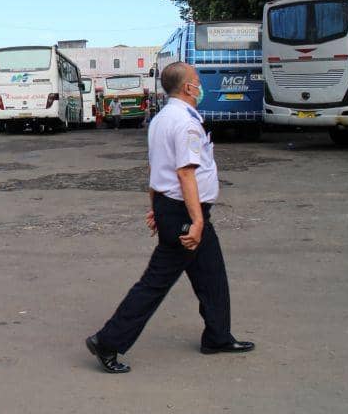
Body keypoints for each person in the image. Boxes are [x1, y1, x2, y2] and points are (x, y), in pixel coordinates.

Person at [85, 61, 254, 374]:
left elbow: (155, 168)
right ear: (188, 87)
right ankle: (107, 341)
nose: (201, 84)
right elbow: (185, 172)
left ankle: (217, 336)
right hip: (185, 212)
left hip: (171, 206)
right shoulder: (185, 123)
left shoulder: (162, 119)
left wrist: (155, 206)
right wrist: (197, 220)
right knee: (156, 281)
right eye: (197, 80)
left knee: (211, 273)